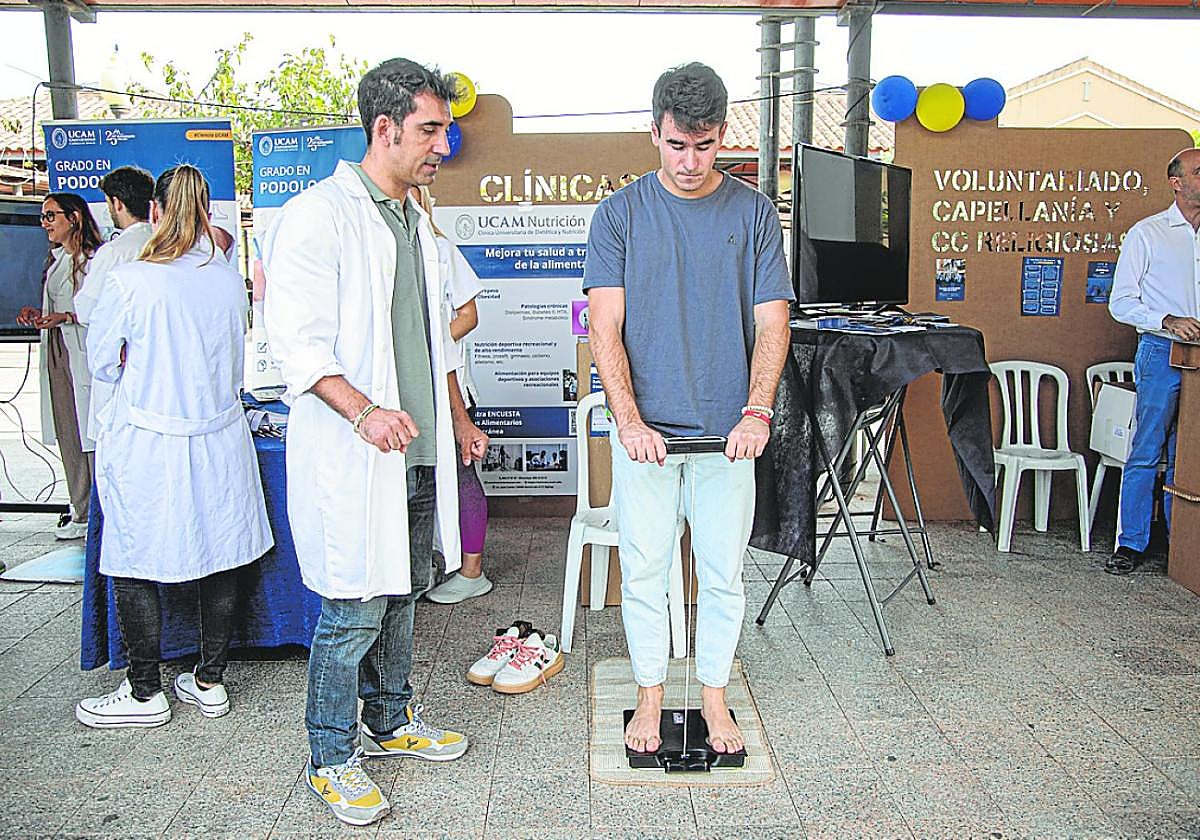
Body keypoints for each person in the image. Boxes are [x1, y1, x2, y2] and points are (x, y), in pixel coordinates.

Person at [262, 58, 489, 828]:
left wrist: (455, 418)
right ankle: (330, 754)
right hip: (359, 452)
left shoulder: (417, 222)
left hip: (416, 449)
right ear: (384, 129)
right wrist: (364, 413)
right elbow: (296, 343)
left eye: (445, 130)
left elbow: (436, 343)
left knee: (401, 592)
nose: (442, 145)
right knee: (354, 603)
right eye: (430, 130)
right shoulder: (318, 214)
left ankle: (389, 721)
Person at [583, 62, 793, 755]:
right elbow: (603, 329)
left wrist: (757, 411)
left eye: (704, 146)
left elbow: (773, 323)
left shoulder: (755, 213)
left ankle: (713, 698)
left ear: (723, 135)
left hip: (728, 434)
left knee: (723, 574)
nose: (691, 162)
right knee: (644, 571)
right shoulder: (619, 215)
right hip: (648, 438)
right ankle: (650, 698)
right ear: (654, 134)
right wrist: (630, 420)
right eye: (677, 146)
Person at [74, 165, 273, 729]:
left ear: (155, 212)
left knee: (135, 557)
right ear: (208, 213)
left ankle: (144, 691)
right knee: (222, 552)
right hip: (219, 436)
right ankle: (209, 680)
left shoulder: (130, 281)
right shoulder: (225, 281)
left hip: (150, 441)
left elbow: (103, 366)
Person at [1106, 147, 1200, 575]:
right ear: (1176, 183)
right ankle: (1132, 543)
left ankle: (1181, 545)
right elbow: (1121, 303)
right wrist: (1166, 319)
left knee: (1192, 452)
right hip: (1162, 351)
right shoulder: (1148, 233)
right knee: (1147, 447)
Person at [413, 186, 493, 605]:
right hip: (410, 388)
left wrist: (428, 344)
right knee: (421, 479)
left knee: (462, 476)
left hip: (452, 388)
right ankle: (429, 565)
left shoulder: (441, 248)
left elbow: (470, 314)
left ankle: (472, 570)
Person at [16, 193, 103, 540]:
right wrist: (38, 315)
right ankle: (80, 507)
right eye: (43, 217)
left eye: (51, 216)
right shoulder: (57, 261)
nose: (45, 223)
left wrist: (66, 316)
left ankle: (96, 512)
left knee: (90, 435)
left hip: (82, 355)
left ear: (75, 217)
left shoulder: (95, 260)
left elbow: (101, 311)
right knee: (69, 432)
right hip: (59, 352)